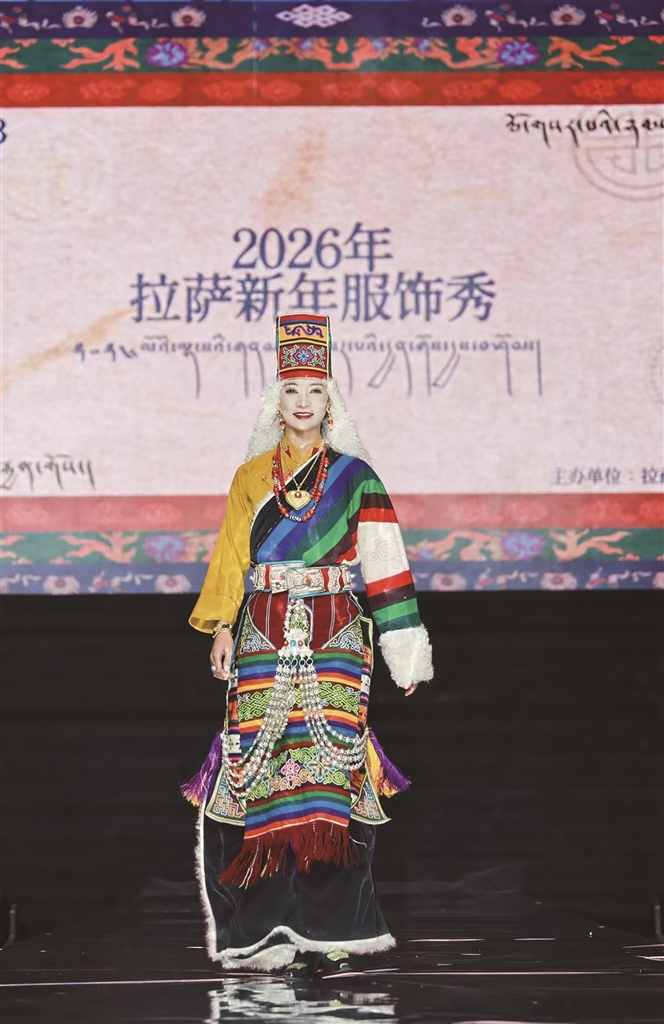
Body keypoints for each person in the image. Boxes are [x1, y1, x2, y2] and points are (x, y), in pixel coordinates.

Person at [182, 312, 433, 977]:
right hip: (263, 629)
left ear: (330, 402)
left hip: (335, 632)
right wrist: (223, 627)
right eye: (291, 390)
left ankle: (333, 928)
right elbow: (231, 557)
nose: (302, 402)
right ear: (277, 400)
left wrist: (404, 647)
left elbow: (385, 561)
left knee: (332, 775)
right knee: (259, 773)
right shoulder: (250, 478)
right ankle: (266, 931)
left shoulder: (356, 477)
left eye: (315, 391)